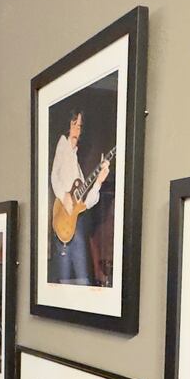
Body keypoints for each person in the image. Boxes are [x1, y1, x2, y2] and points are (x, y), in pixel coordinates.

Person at [47, 110, 110, 285]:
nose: (77, 130)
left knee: (83, 280)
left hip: (78, 225)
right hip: (63, 223)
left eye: (80, 126)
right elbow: (55, 176)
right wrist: (64, 196)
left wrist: (98, 181)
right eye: (74, 124)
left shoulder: (78, 170)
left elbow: (87, 203)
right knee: (64, 280)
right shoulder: (62, 145)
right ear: (67, 125)